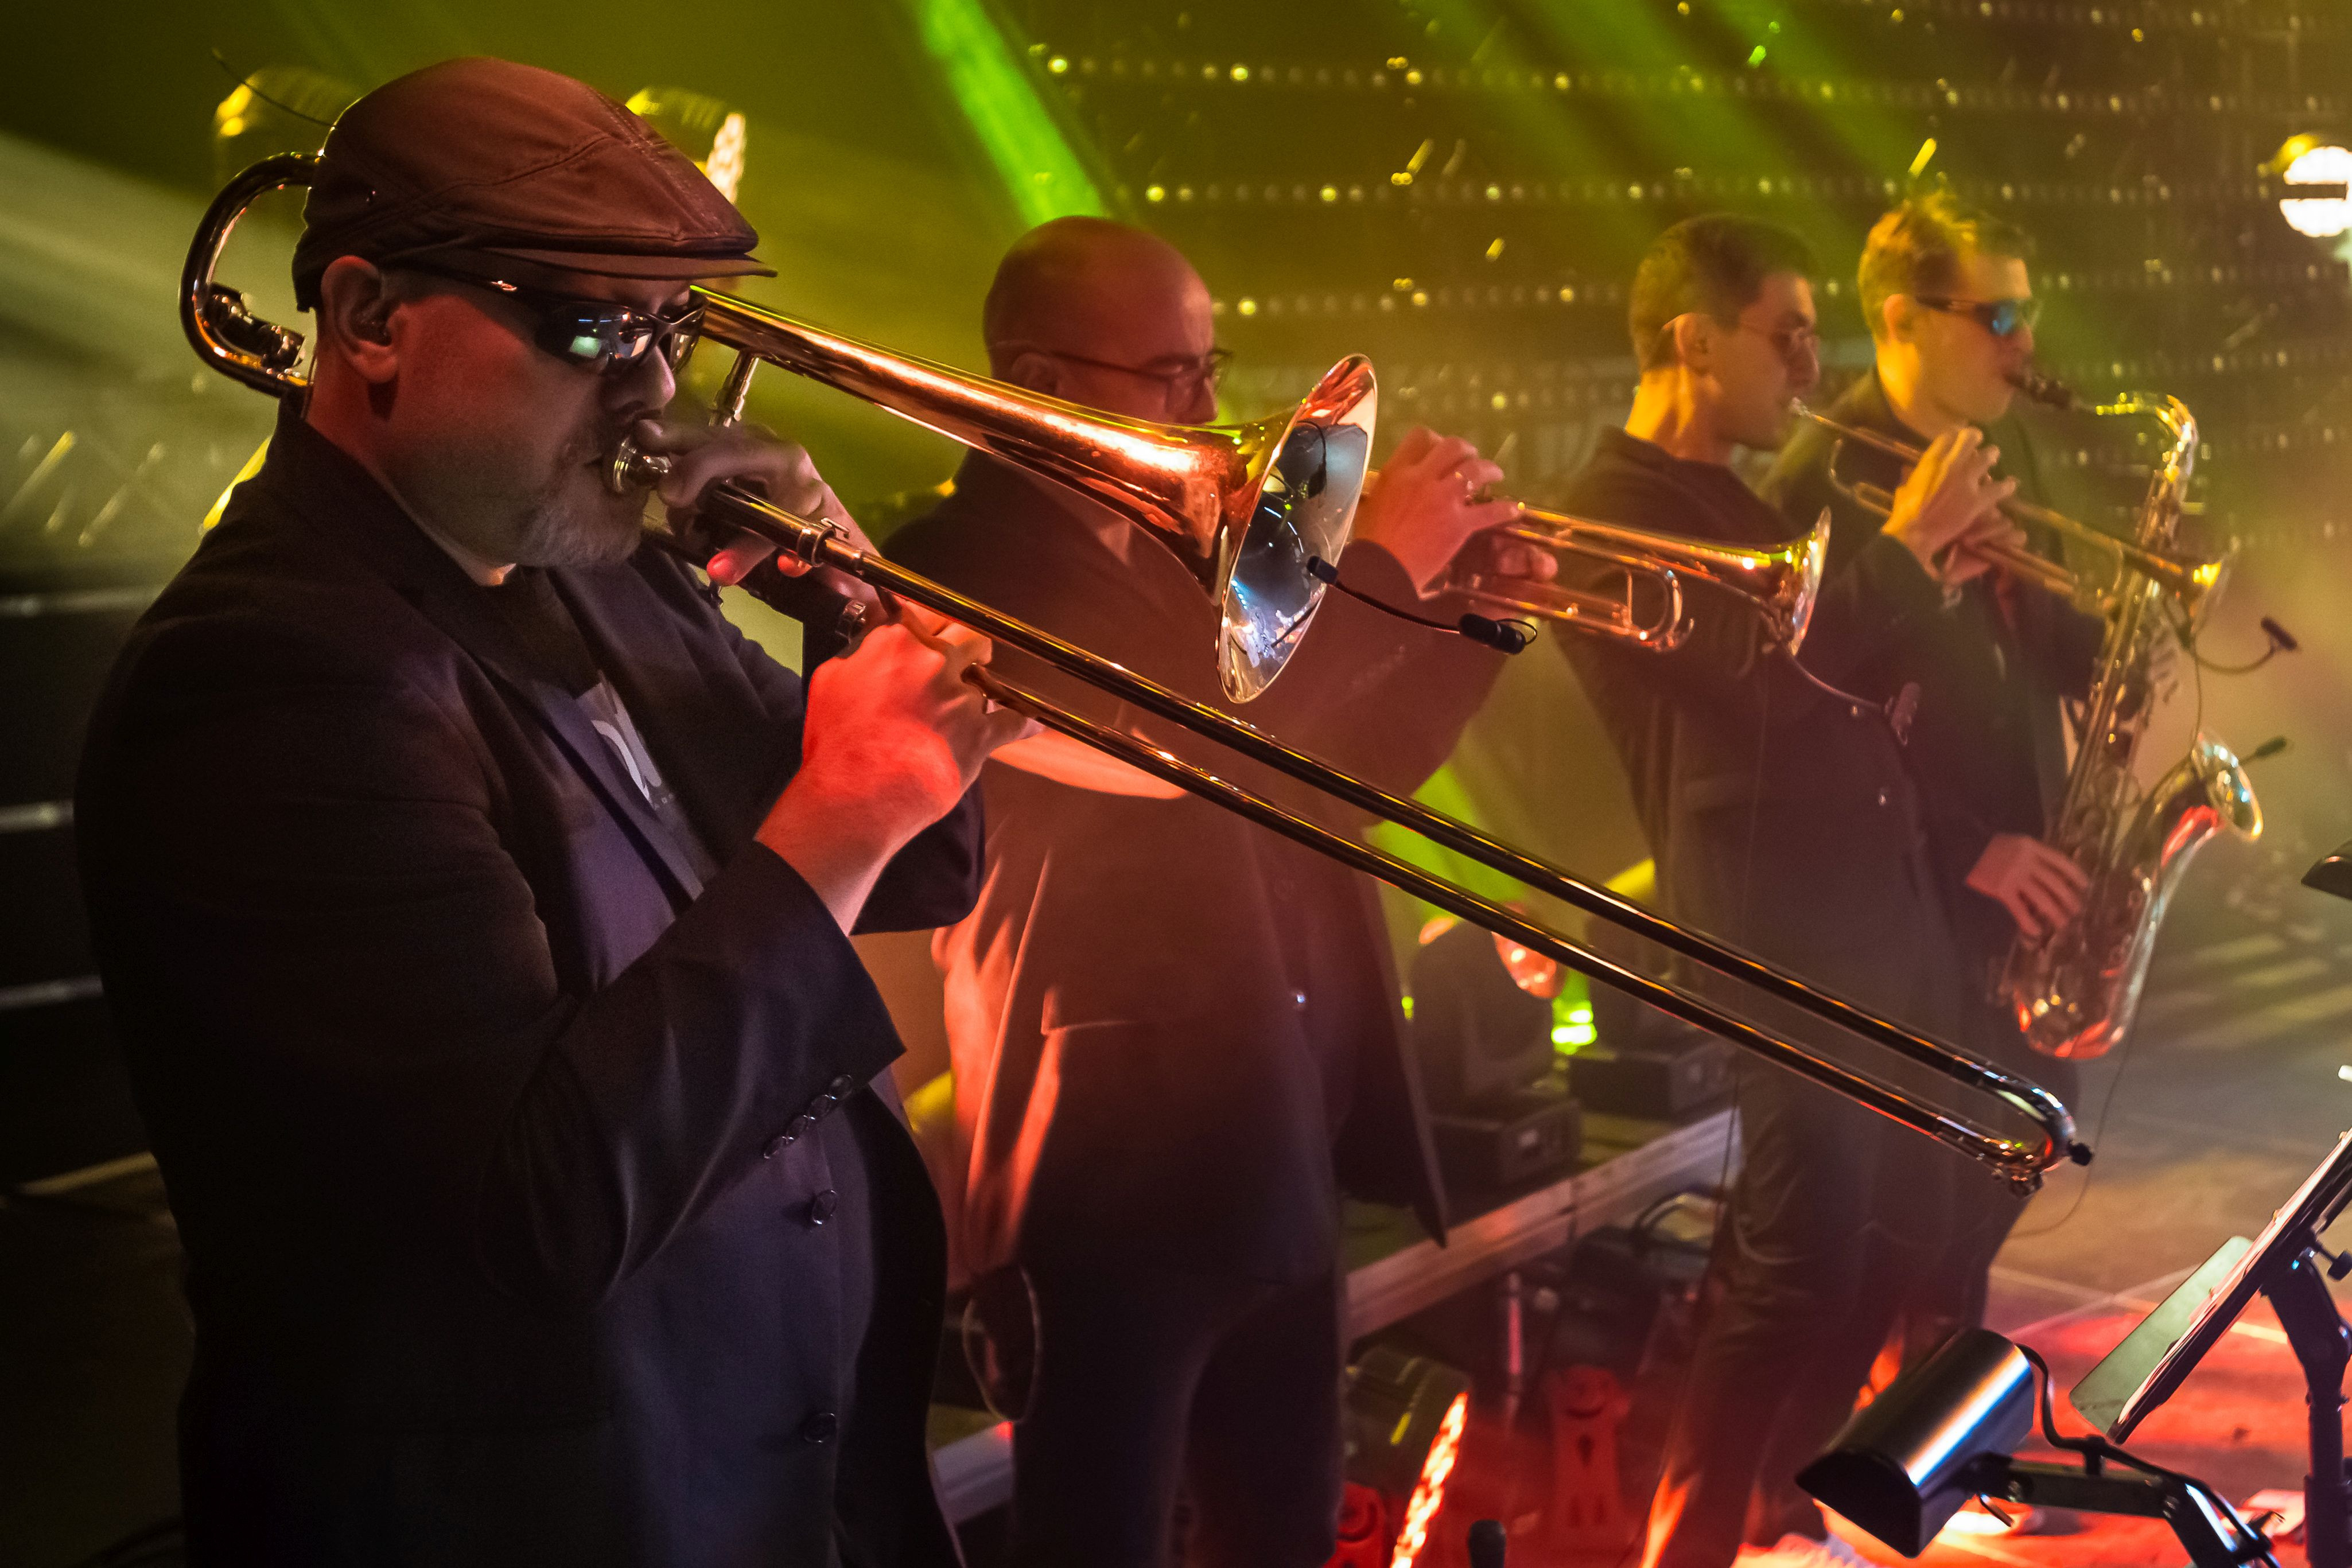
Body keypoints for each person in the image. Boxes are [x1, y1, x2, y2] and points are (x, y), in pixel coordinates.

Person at [75, 59, 1027, 1567]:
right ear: (373, 319)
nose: (649, 392)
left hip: (755, 1494)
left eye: (671, 329)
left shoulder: (605, 571)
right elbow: (540, 1208)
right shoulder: (268, 674)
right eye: (591, 326)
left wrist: (849, 606)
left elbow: (920, 870)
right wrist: (842, 809)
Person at [885, 216, 1530, 1568]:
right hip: (1104, 1167)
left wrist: (1472, 623)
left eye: (1208, 366)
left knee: (1280, 1534)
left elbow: (1328, 782)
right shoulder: (952, 558)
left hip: (1276, 1131)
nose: (1206, 407)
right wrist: (1374, 562)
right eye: (1171, 372)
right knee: (1098, 1544)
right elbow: (1196, 742)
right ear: (1043, 379)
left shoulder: (1193, 561)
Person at [1539, 213, 2016, 1568]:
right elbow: (1753, 695)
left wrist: (1934, 586)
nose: (1811, 368)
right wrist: (1902, 556)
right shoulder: (1605, 508)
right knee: (1798, 1250)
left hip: (1877, 905)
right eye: (1788, 336)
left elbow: (1836, 681)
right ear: (1696, 340)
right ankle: (1688, 1540)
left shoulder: (1749, 505)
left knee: (1912, 1223)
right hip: (1776, 930)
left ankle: (1780, 1501)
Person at [1760, 191, 2103, 1347]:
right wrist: (1968, 845)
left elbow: (2027, 632)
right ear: (1902, 320)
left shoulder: (2002, 440)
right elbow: (1809, 718)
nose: (2024, 341)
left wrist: (2105, 646)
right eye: (1996, 316)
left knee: (2014, 1149)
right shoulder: (1815, 479)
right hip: (1913, 891)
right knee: (1924, 1196)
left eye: (2026, 311)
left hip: (2019, 862)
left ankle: (1932, 1394)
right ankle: (1887, 1404)